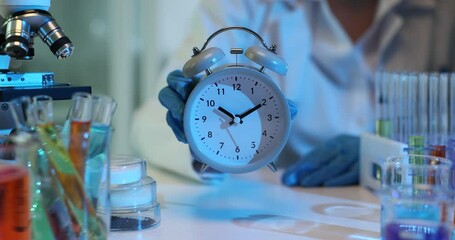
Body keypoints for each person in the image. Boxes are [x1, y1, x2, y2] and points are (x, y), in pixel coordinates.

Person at [131, 0, 455, 186]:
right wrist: (207, 145)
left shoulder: (443, 11)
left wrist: (383, 155)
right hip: (277, 212)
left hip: (403, 205)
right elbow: (150, 125)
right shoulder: (241, 7)